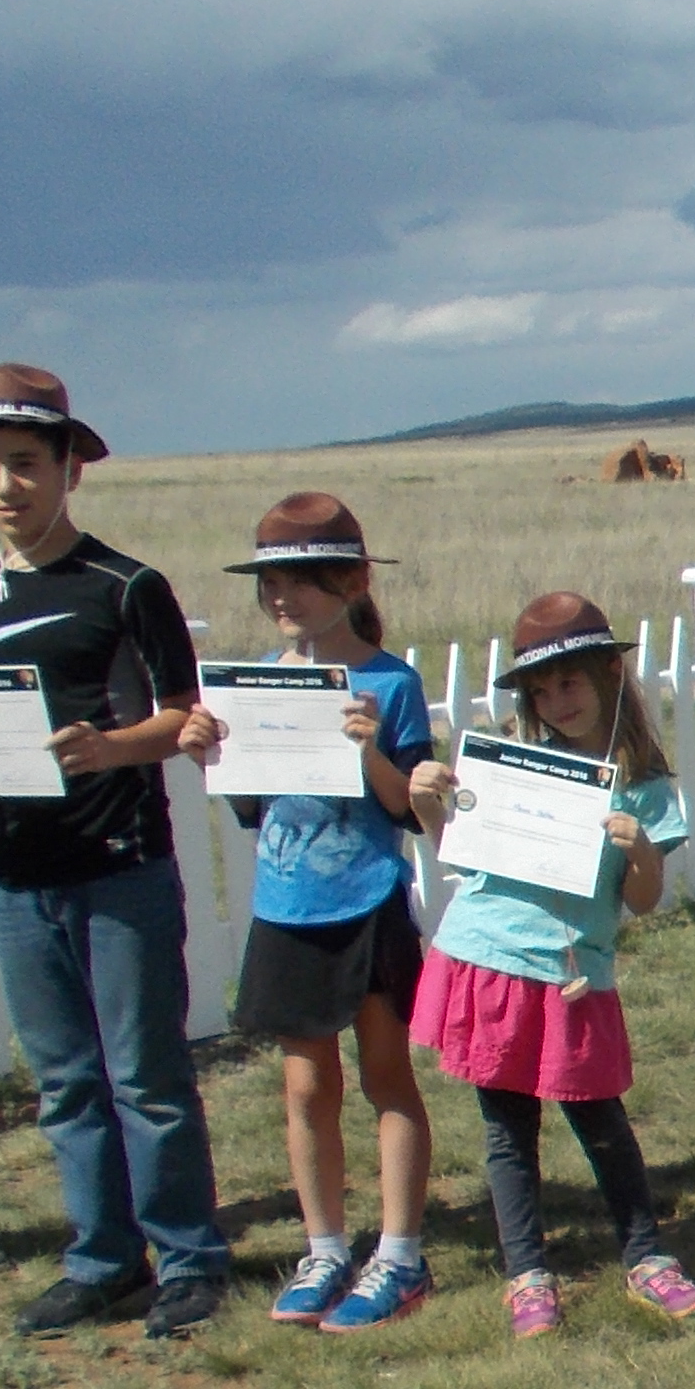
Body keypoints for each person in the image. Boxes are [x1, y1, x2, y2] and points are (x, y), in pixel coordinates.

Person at [0, 363, 233, 1341]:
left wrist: (108, 748)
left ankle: (188, 1258)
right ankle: (102, 1261)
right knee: (64, 1083)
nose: (4, 487)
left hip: (118, 860)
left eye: (24, 463)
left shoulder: (126, 586)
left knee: (145, 1076)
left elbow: (188, 717)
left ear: (71, 469)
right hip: (15, 872)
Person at [405, 595, 695, 1337]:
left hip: (572, 973)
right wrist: (427, 808)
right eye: (540, 691)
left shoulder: (643, 785)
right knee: (507, 1132)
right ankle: (526, 1273)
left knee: (599, 1118)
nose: (554, 702)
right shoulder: (509, 761)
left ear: (611, 672)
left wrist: (637, 845)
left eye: (568, 684)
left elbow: (641, 899)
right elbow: (462, 855)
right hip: (489, 958)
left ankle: (646, 1256)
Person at [191, 495, 438, 1335]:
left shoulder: (391, 681)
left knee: (386, 1077)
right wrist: (210, 757)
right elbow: (257, 808)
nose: (283, 597)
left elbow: (409, 809)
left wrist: (365, 747)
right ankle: (325, 1246)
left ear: (353, 580)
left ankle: (401, 1255)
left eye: (302, 579)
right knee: (304, 1085)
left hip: (366, 901)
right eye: (270, 582)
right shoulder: (257, 679)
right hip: (286, 902)